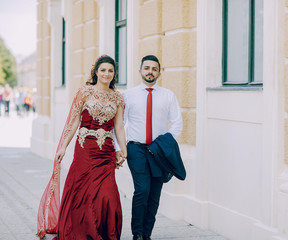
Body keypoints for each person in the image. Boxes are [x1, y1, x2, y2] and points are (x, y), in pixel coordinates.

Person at [37, 55, 127, 240]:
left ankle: (105, 232)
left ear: (114, 74)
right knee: (83, 191)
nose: (106, 74)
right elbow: (73, 121)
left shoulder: (118, 97)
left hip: (106, 152)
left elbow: (118, 126)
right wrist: (63, 147)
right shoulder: (84, 92)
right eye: (103, 70)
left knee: (107, 194)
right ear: (96, 72)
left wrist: (123, 150)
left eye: (110, 71)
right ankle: (82, 231)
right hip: (85, 149)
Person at [114, 55, 183, 240]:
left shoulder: (168, 95)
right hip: (136, 149)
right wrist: (118, 149)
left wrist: (164, 144)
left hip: (158, 151)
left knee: (154, 193)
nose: (150, 72)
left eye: (154, 68)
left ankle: (147, 234)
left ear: (159, 72)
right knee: (142, 189)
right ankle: (137, 233)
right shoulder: (128, 95)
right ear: (140, 71)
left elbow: (177, 123)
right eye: (147, 68)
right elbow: (119, 124)